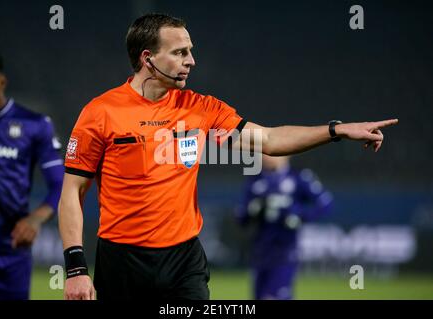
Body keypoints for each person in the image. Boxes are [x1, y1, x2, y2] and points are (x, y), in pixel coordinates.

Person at [58, 13, 398, 300]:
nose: (191, 60)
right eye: (179, 52)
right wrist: (74, 266)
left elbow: (270, 139)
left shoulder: (201, 109)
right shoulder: (100, 112)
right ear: (148, 58)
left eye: (190, 51)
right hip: (122, 262)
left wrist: (335, 130)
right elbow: (73, 191)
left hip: (183, 260)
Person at [0, 48, 64, 299]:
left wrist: (35, 219)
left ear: (1, 82)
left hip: (10, 252)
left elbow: (60, 184)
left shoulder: (35, 125)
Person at [236, 155, 332, 299]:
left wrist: (300, 217)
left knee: (277, 296)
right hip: (260, 249)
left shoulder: (298, 177)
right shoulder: (255, 180)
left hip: (285, 249)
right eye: (264, 152)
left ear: (286, 153)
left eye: (273, 152)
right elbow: (241, 217)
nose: (267, 157)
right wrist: (252, 210)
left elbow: (325, 203)